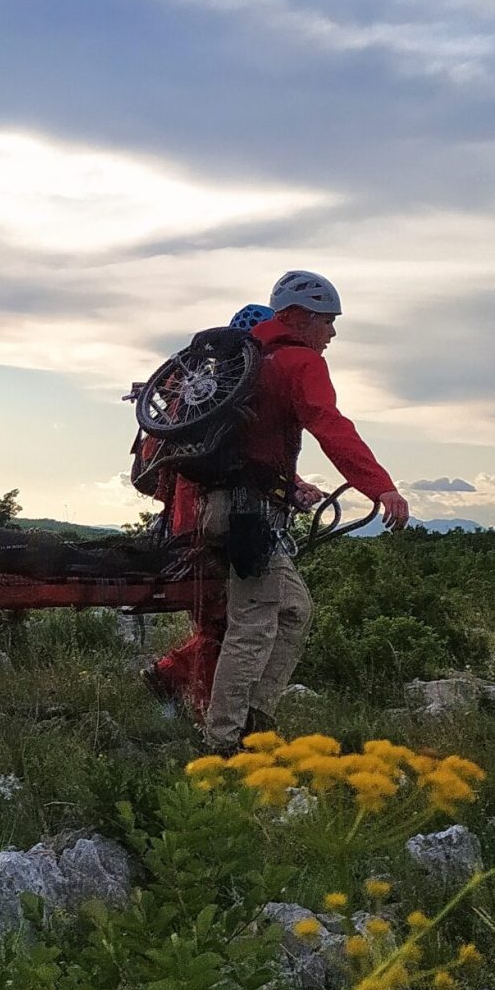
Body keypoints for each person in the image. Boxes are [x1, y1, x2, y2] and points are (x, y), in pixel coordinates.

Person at [201, 270, 410, 749]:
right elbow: (330, 424)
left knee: (294, 609)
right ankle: (223, 742)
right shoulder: (298, 363)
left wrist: (290, 485)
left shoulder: (248, 361)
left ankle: (255, 721)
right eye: (327, 321)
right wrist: (382, 488)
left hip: (228, 508)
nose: (332, 333)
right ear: (298, 317)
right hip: (249, 514)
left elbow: (247, 445)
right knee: (253, 625)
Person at [144, 304, 274, 714]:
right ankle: (199, 706)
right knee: (220, 621)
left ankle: (171, 678)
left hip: (186, 517)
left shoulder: (201, 392)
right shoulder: (226, 397)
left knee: (218, 618)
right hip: (202, 520)